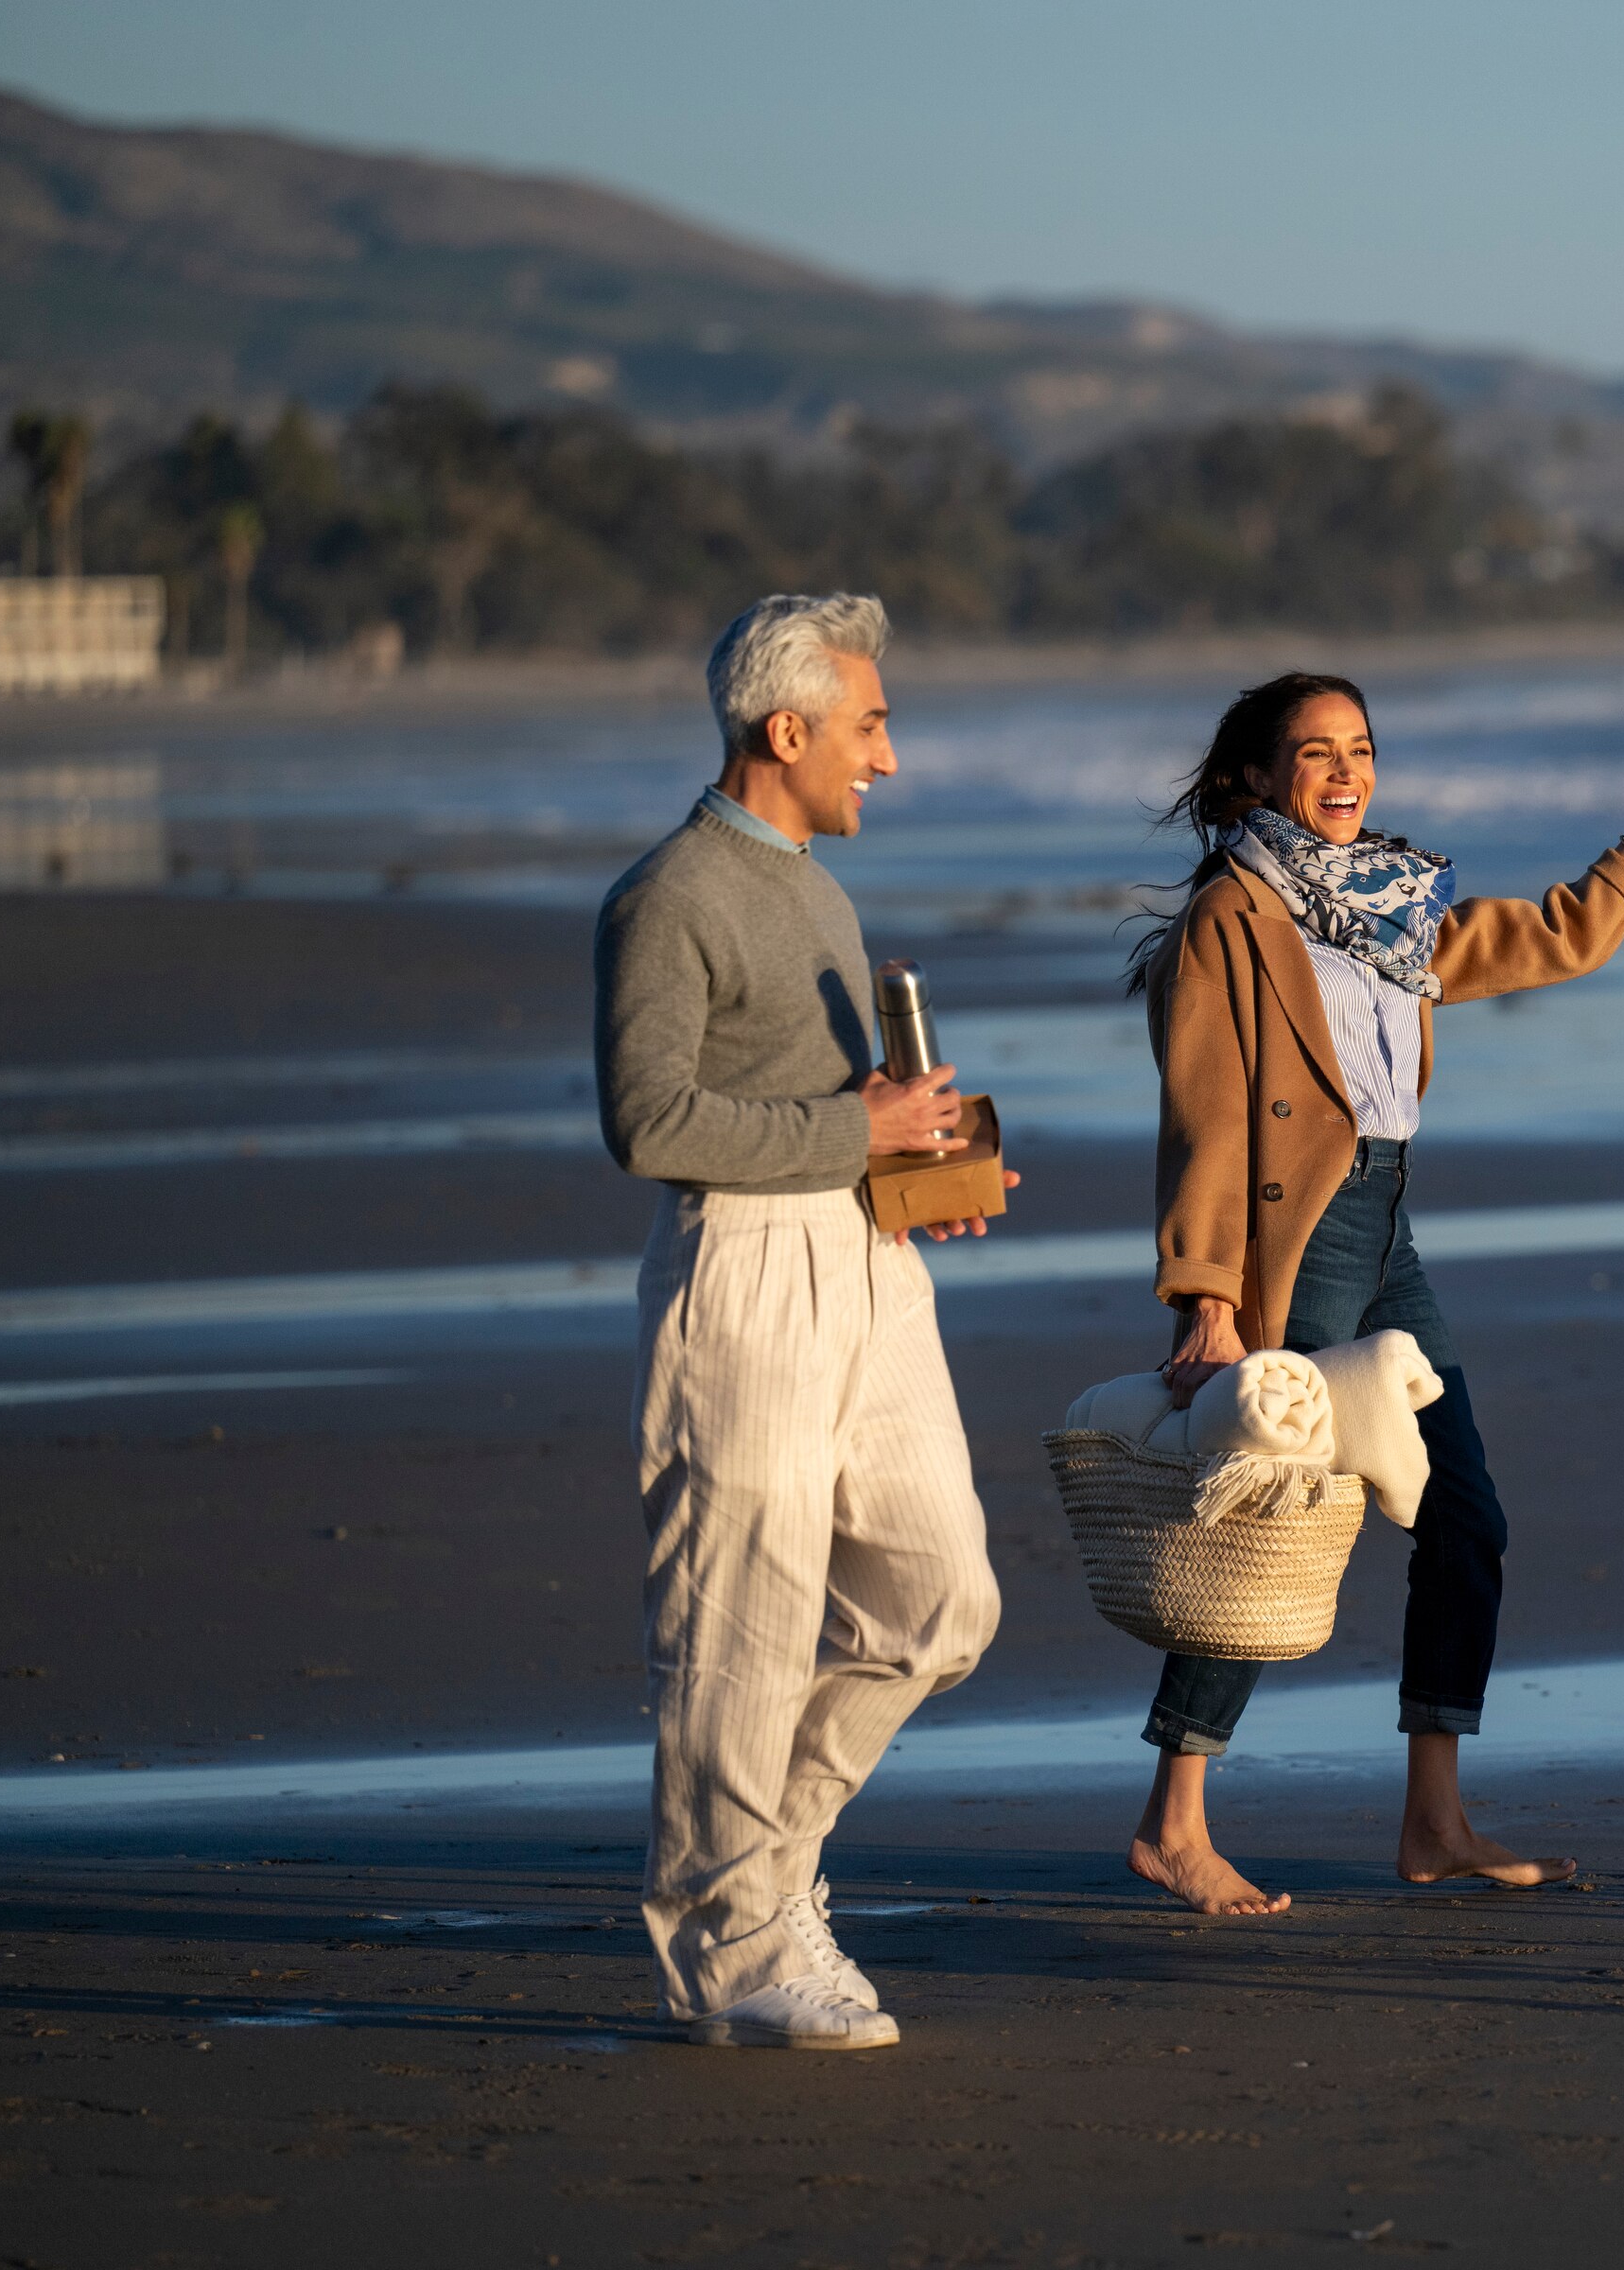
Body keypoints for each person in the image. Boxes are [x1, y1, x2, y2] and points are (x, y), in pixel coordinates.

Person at [1124, 669, 1624, 1913]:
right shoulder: (1237, 915)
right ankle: (1175, 1820)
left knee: (1464, 1511)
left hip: (1389, 1234)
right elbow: (1208, 1117)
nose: (1345, 772)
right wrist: (1206, 1296)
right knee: (1271, 1515)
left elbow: (1544, 935)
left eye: (1361, 749)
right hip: (1298, 1238)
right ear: (1257, 778)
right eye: (1316, 754)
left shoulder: (1385, 904)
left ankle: (1434, 1821)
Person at [594, 592, 1018, 2047]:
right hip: (743, 1271)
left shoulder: (821, 892)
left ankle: (767, 1874)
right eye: (870, 724)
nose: (885, 759)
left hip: (866, 1258)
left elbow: (833, 1109)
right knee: (740, 1628)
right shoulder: (667, 898)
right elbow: (649, 1122)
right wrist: (856, 1128)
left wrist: (917, 1163)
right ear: (788, 731)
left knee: (943, 1598)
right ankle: (730, 1953)